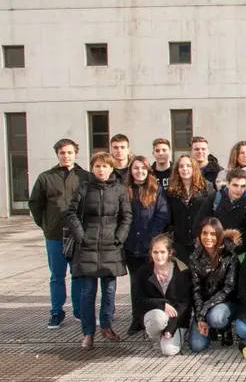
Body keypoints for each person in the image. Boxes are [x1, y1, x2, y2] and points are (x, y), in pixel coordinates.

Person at [66, 152, 132, 349]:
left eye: (105, 166)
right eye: (97, 166)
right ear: (92, 168)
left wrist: (119, 237)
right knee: (87, 292)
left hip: (111, 245)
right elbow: (71, 213)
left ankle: (107, 326)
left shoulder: (119, 189)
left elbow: (127, 216)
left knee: (109, 290)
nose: (101, 170)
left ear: (111, 168)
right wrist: (81, 236)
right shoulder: (84, 188)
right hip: (87, 245)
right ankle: (88, 333)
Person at [29, 138, 90, 329]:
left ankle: (79, 311)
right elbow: (35, 204)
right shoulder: (45, 177)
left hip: (78, 235)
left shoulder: (85, 177)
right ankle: (56, 312)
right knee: (57, 276)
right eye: (62, 153)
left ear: (76, 153)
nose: (66, 156)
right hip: (54, 235)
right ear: (57, 154)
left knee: (78, 274)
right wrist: (46, 226)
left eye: (70, 152)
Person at [124, 156, 170, 335]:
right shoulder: (124, 190)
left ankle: (152, 318)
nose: (139, 172)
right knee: (135, 284)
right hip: (130, 246)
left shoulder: (156, 190)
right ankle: (136, 319)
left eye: (143, 168)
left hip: (149, 247)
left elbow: (162, 215)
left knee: (153, 283)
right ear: (131, 171)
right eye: (136, 168)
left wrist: (150, 239)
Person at [189, 218, 241, 351]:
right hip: (204, 305)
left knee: (216, 318)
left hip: (226, 302)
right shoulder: (194, 257)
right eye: (204, 233)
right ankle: (209, 326)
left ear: (219, 235)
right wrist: (200, 316)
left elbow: (229, 288)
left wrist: (206, 308)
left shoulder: (230, 255)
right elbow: (196, 289)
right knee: (196, 346)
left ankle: (225, 326)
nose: (208, 237)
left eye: (213, 234)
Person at [135, 233, 192, 356]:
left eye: (162, 252)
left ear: (170, 253)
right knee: (158, 317)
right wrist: (162, 304)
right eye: (155, 252)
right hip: (155, 315)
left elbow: (185, 303)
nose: (159, 256)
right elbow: (138, 301)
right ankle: (155, 339)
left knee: (169, 351)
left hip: (177, 319)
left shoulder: (182, 271)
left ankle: (175, 335)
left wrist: (171, 327)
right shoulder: (143, 272)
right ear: (151, 253)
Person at [166, 154, 215, 264]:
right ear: (177, 170)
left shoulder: (206, 187)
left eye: (188, 166)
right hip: (180, 243)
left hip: (201, 242)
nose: (185, 169)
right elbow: (169, 216)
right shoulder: (172, 191)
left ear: (194, 168)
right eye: (181, 166)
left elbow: (212, 214)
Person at [195, 168, 246, 253]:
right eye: (235, 185)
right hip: (215, 250)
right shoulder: (215, 198)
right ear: (228, 184)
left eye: (242, 186)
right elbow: (199, 223)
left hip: (239, 253)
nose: (238, 189)